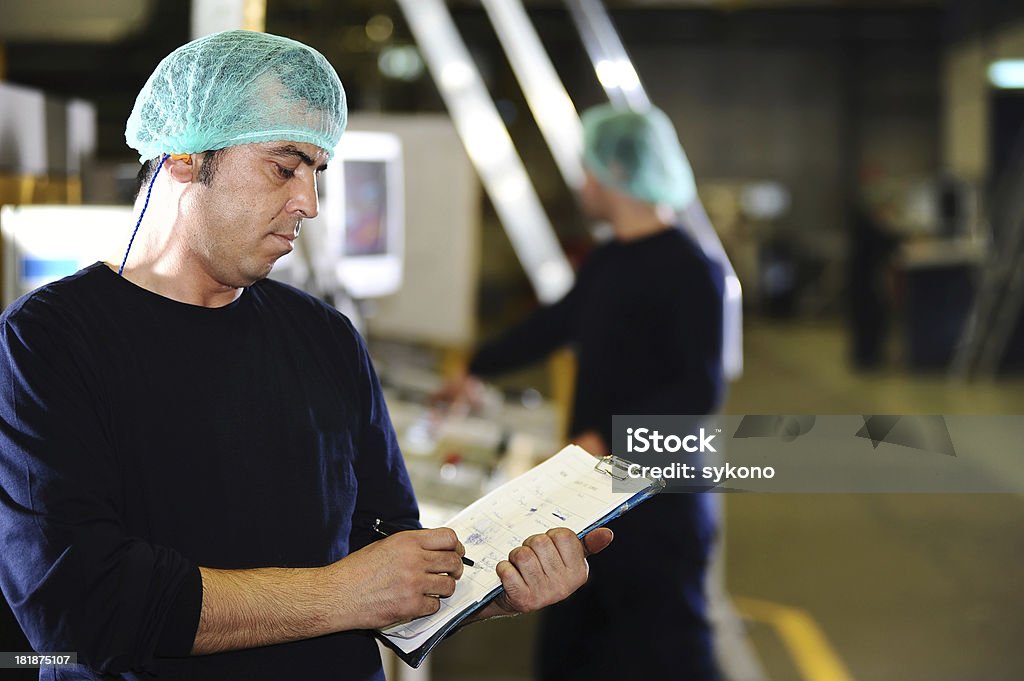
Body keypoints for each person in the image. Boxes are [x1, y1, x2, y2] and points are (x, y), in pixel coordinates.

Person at [0, 30, 611, 681]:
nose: (309, 204)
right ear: (182, 153)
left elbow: (391, 561)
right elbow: (77, 608)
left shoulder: (325, 338)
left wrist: (494, 587)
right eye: (283, 166)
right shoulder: (48, 342)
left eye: (316, 172)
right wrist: (346, 593)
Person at [439, 104, 726, 680]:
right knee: (578, 653)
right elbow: (557, 323)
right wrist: (475, 366)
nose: (581, 182)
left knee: (666, 656)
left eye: (588, 169)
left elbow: (698, 391)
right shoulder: (611, 260)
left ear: (617, 173)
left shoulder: (690, 268)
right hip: (597, 492)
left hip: (658, 501)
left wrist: (610, 437)